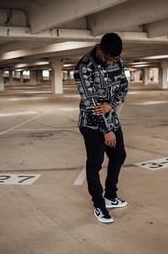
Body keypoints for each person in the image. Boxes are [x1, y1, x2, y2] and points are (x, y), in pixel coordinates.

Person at [74, 33, 129, 224]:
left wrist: (111, 104)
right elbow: (91, 104)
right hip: (91, 123)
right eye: (108, 59)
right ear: (100, 49)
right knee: (95, 163)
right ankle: (99, 204)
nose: (110, 62)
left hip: (111, 118)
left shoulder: (117, 59)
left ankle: (110, 196)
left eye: (114, 60)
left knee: (119, 155)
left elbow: (124, 86)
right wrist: (106, 131)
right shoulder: (84, 67)